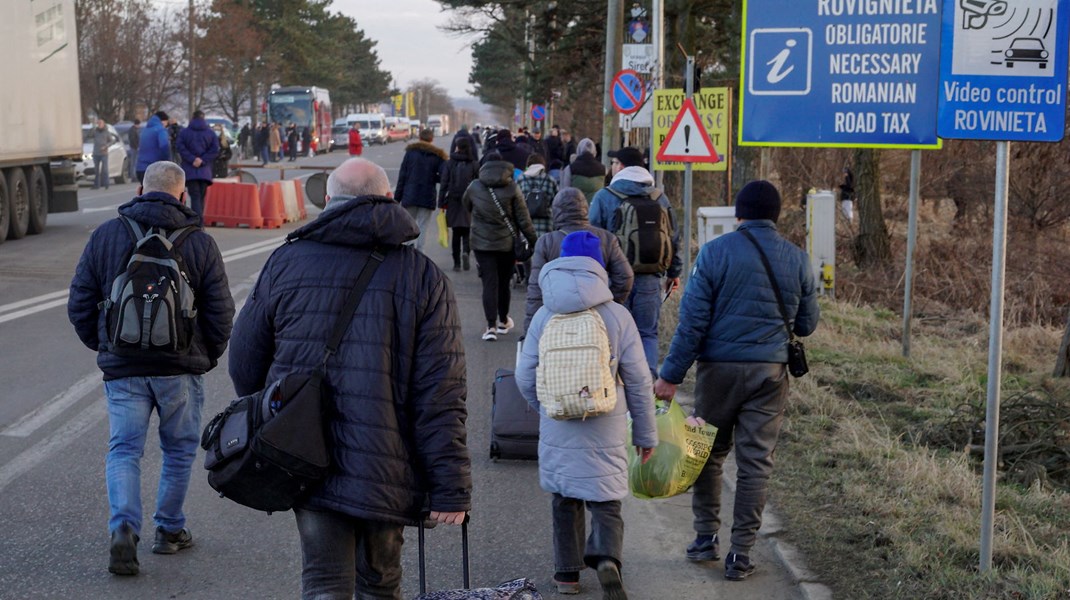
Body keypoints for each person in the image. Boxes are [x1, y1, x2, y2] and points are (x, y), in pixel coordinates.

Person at [227, 157, 471, 599]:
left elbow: (244, 364)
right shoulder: (422, 276)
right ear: (389, 199)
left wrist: (282, 416)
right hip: (387, 463)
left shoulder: (285, 262)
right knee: (380, 583)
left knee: (323, 582)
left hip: (305, 455)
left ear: (327, 200)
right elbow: (440, 393)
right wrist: (449, 485)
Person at [67, 160, 235, 576]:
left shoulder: (107, 234)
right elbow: (221, 312)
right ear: (182, 195)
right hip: (180, 368)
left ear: (140, 190)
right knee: (178, 450)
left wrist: (105, 345)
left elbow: (80, 302)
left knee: (124, 449)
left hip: (124, 368)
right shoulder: (200, 242)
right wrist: (205, 356)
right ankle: (169, 530)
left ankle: (124, 526)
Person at [654, 180, 819, 582]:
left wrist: (670, 376)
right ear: (777, 216)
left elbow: (692, 324)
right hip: (769, 372)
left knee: (707, 453)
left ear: (739, 214)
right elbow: (807, 324)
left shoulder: (714, 254)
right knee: (755, 463)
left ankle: (705, 538)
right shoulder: (798, 259)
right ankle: (741, 554)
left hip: (718, 372)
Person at [514, 231, 657, 600]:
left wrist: (546, 404)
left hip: (558, 418)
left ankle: (567, 575)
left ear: (560, 262)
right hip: (605, 420)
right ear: (599, 267)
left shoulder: (546, 313)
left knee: (564, 496)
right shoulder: (617, 315)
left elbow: (524, 374)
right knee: (606, 497)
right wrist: (645, 435)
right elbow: (640, 380)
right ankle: (607, 558)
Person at [589, 146, 682, 378]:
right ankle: (647, 386)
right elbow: (673, 237)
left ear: (621, 166)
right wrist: (674, 271)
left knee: (613, 333)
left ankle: (614, 386)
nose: (612, 167)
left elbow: (593, 238)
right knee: (647, 334)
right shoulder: (660, 197)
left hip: (615, 279)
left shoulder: (605, 196)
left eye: (614, 163)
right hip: (650, 277)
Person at [524, 187, 633, 331]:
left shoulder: (546, 242)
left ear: (556, 211)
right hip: (596, 314)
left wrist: (531, 327)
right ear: (585, 209)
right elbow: (625, 277)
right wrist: (609, 301)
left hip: (557, 315)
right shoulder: (607, 239)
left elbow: (536, 290)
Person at [462, 151, 537, 341]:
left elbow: (466, 205)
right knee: (504, 283)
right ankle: (504, 321)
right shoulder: (512, 187)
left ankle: (490, 327)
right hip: (507, 243)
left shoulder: (474, 187)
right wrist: (533, 240)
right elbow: (523, 217)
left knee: (489, 283)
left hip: (481, 243)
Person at [395, 128, 448, 252]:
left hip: (410, 195)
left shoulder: (410, 153)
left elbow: (402, 177)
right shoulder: (438, 156)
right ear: (432, 139)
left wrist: (397, 198)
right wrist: (432, 176)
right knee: (423, 226)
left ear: (419, 138)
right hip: (427, 196)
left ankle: (408, 250)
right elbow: (444, 176)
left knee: (408, 225)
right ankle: (420, 252)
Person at [439, 136, 479, 271]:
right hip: (470, 201)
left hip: (453, 201)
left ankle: (456, 263)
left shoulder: (450, 163)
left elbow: (444, 183)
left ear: (457, 147)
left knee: (456, 233)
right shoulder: (473, 163)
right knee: (467, 231)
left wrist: (440, 203)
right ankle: (466, 252)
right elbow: (479, 183)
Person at [176, 110, 220, 218]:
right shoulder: (210, 133)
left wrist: (192, 159)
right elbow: (215, 149)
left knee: (194, 195)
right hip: (205, 171)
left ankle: (197, 221)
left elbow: (180, 147)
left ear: (192, 118)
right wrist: (202, 160)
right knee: (201, 196)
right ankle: (199, 220)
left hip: (190, 169)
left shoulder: (184, 132)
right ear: (203, 118)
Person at [516, 153, 559, 239]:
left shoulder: (521, 180)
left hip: (526, 228)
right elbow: (557, 205)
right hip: (547, 227)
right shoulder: (551, 180)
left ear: (528, 165)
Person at [136, 112, 171, 183]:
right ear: (163, 121)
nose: (166, 126)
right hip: (154, 169)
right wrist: (166, 162)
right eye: (167, 123)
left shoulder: (145, 130)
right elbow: (164, 146)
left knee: (146, 191)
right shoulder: (160, 130)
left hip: (140, 168)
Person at [91, 119, 111, 190]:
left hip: (104, 153)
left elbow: (111, 141)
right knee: (96, 170)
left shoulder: (106, 132)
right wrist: (93, 127)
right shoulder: (95, 131)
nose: (99, 124)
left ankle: (106, 184)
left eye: (100, 123)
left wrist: (106, 146)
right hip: (96, 153)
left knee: (105, 170)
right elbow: (89, 135)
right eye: (98, 123)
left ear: (103, 124)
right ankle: (97, 185)